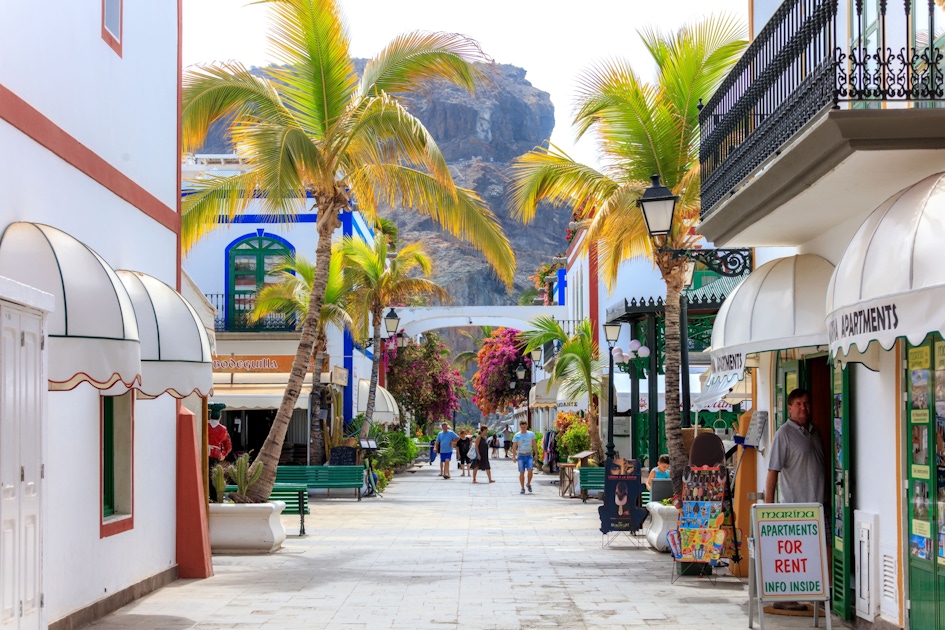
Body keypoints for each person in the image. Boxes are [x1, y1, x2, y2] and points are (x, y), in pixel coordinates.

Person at [765, 388, 825, 611]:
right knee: (792, 557)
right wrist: (769, 511)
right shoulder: (784, 434)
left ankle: (818, 595)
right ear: (789, 408)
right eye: (798, 404)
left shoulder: (814, 431)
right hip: (795, 508)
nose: (803, 408)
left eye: (806, 403)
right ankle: (785, 597)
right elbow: (772, 472)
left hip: (819, 505)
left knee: (819, 552)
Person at [208, 410, 232, 501]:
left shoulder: (205, 425)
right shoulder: (223, 429)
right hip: (215, 454)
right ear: (219, 417)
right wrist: (223, 454)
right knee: (214, 476)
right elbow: (228, 444)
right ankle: (214, 497)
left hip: (204, 453)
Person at [511, 420, 538, 494]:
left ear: (526, 426)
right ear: (520, 427)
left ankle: (528, 483)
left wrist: (536, 454)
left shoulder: (531, 434)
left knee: (530, 470)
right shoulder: (517, 435)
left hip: (529, 455)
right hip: (521, 455)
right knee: (521, 472)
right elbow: (514, 446)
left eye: (524, 427)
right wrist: (514, 456)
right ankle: (522, 488)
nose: (523, 428)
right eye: (522, 427)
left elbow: (534, 444)